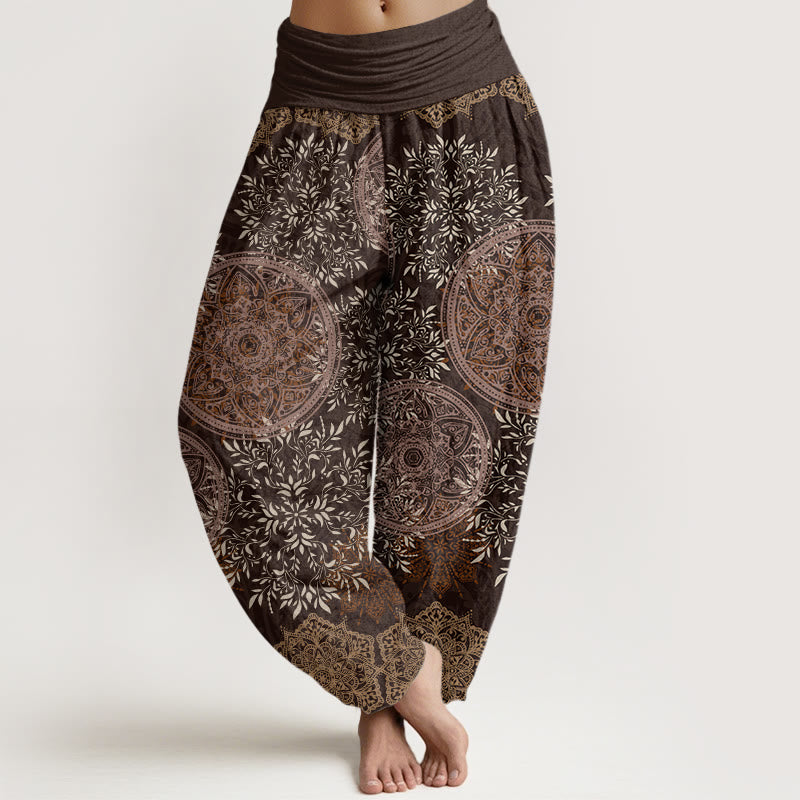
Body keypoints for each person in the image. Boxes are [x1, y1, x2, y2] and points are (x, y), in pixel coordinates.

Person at [177, 0, 556, 793]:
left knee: (450, 425)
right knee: (236, 413)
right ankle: (396, 665)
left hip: (466, 97)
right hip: (315, 101)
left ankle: (385, 703)